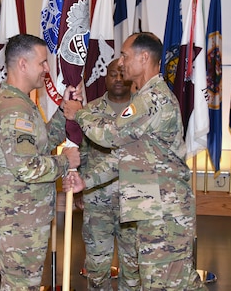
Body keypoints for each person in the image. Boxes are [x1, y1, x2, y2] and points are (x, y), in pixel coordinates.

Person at [63, 32, 207, 290]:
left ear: (144, 57)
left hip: (164, 214)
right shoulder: (145, 97)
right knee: (177, 282)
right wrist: (87, 181)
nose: (121, 62)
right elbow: (124, 155)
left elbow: (109, 136)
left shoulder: (153, 99)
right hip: (156, 209)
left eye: (125, 55)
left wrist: (79, 114)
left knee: (166, 283)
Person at [0, 33, 82, 291]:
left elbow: (43, 142)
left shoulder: (21, 103)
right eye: (42, 63)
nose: (47, 69)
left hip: (24, 219)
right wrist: (64, 162)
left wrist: (63, 108)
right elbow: (27, 168)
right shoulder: (14, 108)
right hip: (19, 223)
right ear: (23, 64)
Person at [78, 59, 140, 290]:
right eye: (113, 74)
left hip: (134, 200)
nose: (117, 79)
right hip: (97, 200)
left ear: (131, 78)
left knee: (133, 268)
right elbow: (83, 152)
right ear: (105, 77)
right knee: (96, 266)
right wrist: (80, 189)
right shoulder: (90, 111)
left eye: (122, 74)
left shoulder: (141, 109)